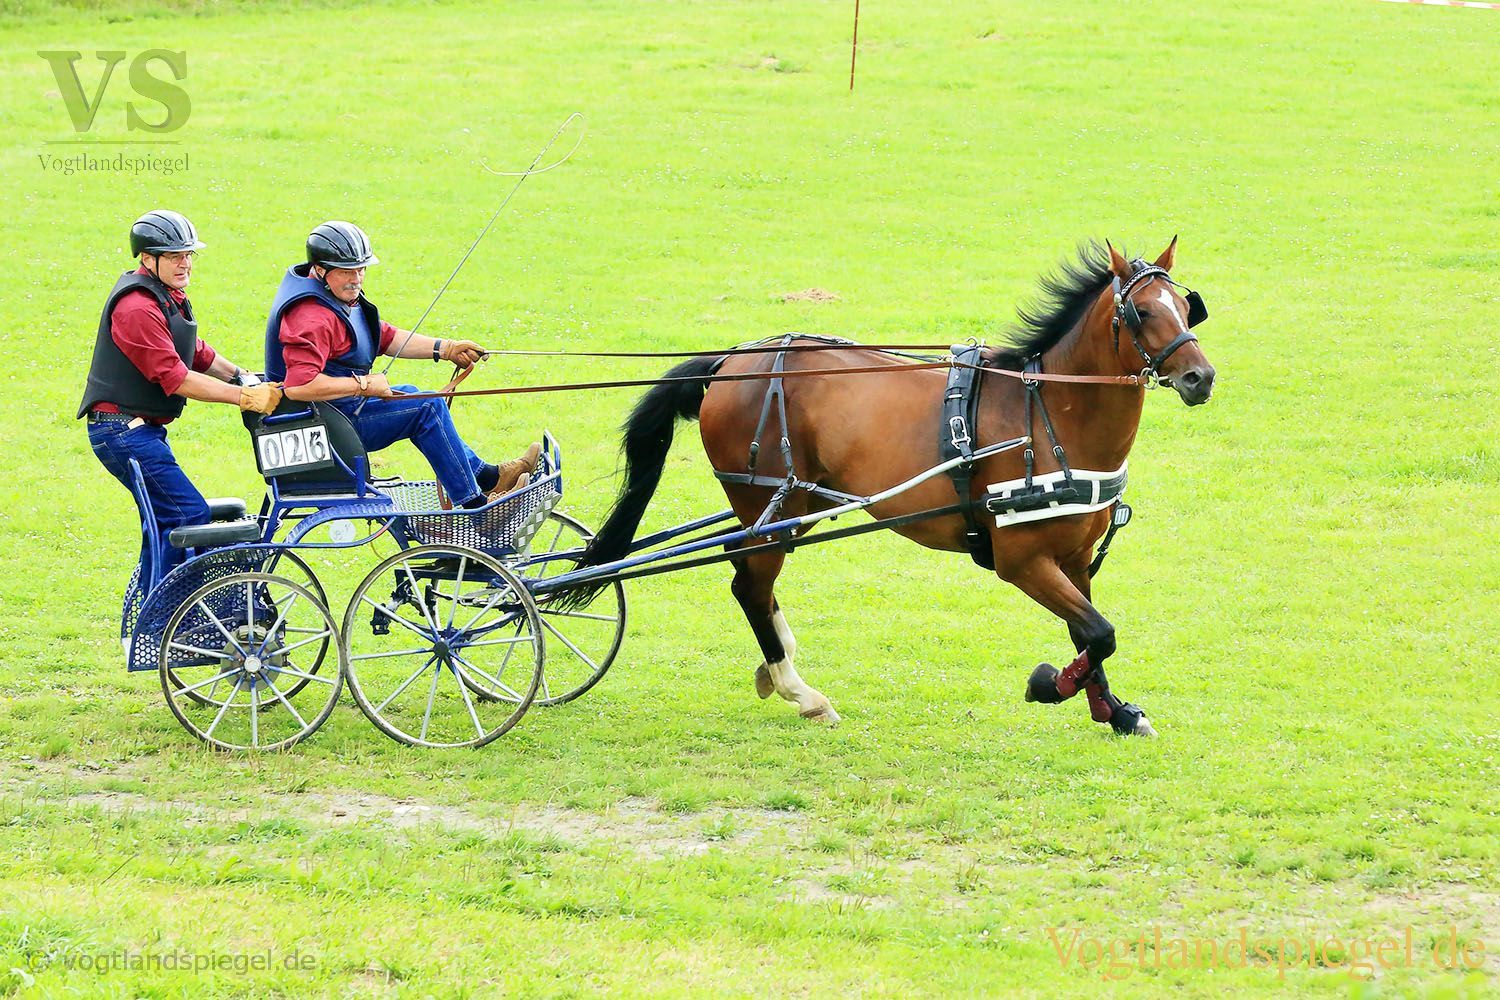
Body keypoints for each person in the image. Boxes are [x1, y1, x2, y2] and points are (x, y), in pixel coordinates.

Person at [264, 220, 538, 507]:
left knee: (414, 395)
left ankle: (489, 477)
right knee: (425, 408)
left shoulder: (330, 294)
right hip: (325, 429)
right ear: (320, 269)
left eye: (362, 269)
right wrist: (364, 384)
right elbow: (299, 385)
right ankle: (476, 507)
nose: (357, 278)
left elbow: (382, 336)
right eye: (347, 271)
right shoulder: (311, 317)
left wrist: (446, 348)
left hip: (333, 414)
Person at [79, 209, 282, 579]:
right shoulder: (136, 307)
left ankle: (154, 624)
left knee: (160, 524)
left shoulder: (165, 296)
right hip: (122, 434)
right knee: (185, 516)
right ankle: (179, 619)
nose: (185, 263)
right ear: (147, 257)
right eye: (174, 255)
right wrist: (244, 398)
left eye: (188, 254)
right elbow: (175, 377)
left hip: (136, 431)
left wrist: (243, 375)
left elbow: (197, 351)